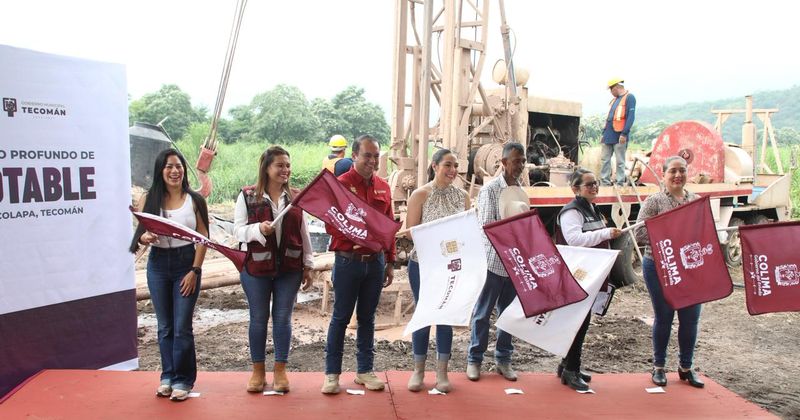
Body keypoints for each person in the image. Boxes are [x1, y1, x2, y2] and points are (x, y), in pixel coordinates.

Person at [129, 149, 209, 402]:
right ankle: (168, 376)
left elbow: (203, 239)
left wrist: (194, 271)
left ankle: (184, 380)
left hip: (186, 264)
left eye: (178, 166)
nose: (175, 171)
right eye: (168, 167)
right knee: (164, 327)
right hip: (158, 265)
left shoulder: (194, 200)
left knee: (182, 326)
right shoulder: (148, 198)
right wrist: (146, 236)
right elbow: (140, 235)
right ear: (160, 170)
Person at [233, 146, 314, 393]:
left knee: (282, 318)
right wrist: (258, 229)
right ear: (266, 168)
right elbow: (236, 231)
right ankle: (258, 371)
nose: (285, 170)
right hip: (256, 268)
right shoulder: (247, 196)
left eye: (288, 165)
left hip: (289, 269)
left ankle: (280, 370)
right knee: (258, 318)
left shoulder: (296, 198)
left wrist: (308, 265)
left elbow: (304, 232)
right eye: (279, 165)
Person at [321, 134, 396, 394]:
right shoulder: (340, 185)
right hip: (347, 262)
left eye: (376, 156)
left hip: (374, 263)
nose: (372, 161)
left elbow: (389, 227)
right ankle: (332, 375)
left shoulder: (384, 187)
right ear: (354, 156)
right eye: (367, 155)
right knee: (340, 317)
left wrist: (390, 262)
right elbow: (330, 223)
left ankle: (364, 371)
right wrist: (354, 236)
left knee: (367, 318)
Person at [634, 156, 705, 388]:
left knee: (690, 318)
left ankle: (686, 367)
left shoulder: (695, 201)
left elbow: (703, 234)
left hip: (690, 268)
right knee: (664, 316)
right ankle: (659, 366)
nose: (678, 175)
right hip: (658, 266)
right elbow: (640, 234)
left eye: (682, 171)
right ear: (663, 175)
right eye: (672, 171)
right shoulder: (654, 201)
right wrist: (671, 236)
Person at [404, 149, 470, 392]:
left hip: (450, 267)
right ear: (434, 166)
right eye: (447, 165)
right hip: (422, 265)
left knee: (445, 316)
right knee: (423, 315)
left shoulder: (463, 196)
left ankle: (442, 372)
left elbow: (465, 231)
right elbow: (410, 231)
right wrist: (438, 238)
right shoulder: (420, 195)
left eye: (455, 166)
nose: (452, 170)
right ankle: (418, 371)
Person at [555, 168, 622, 390]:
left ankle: (567, 365)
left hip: (590, 274)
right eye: (589, 184)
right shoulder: (571, 212)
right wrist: (605, 234)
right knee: (579, 323)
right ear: (575, 189)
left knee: (581, 323)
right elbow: (574, 240)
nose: (594, 187)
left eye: (596, 183)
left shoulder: (591, 208)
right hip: (578, 275)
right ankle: (571, 370)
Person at [466, 142, 526, 382]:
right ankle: (474, 360)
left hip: (513, 263)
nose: (520, 166)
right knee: (482, 313)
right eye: (515, 161)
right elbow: (486, 227)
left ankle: (503, 359)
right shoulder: (490, 190)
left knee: (509, 314)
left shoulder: (521, 190)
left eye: (522, 161)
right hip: (492, 262)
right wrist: (510, 239)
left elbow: (523, 225)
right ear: (503, 162)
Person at [600, 78, 636, 186]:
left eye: (611, 90)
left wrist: (624, 133)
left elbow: (631, 117)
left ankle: (620, 183)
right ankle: (604, 182)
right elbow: (610, 118)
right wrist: (604, 134)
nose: (611, 93)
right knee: (604, 159)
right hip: (608, 135)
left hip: (620, 135)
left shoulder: (629, 97)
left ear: (616, 87)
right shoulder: (614, 100)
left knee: (620, 161)